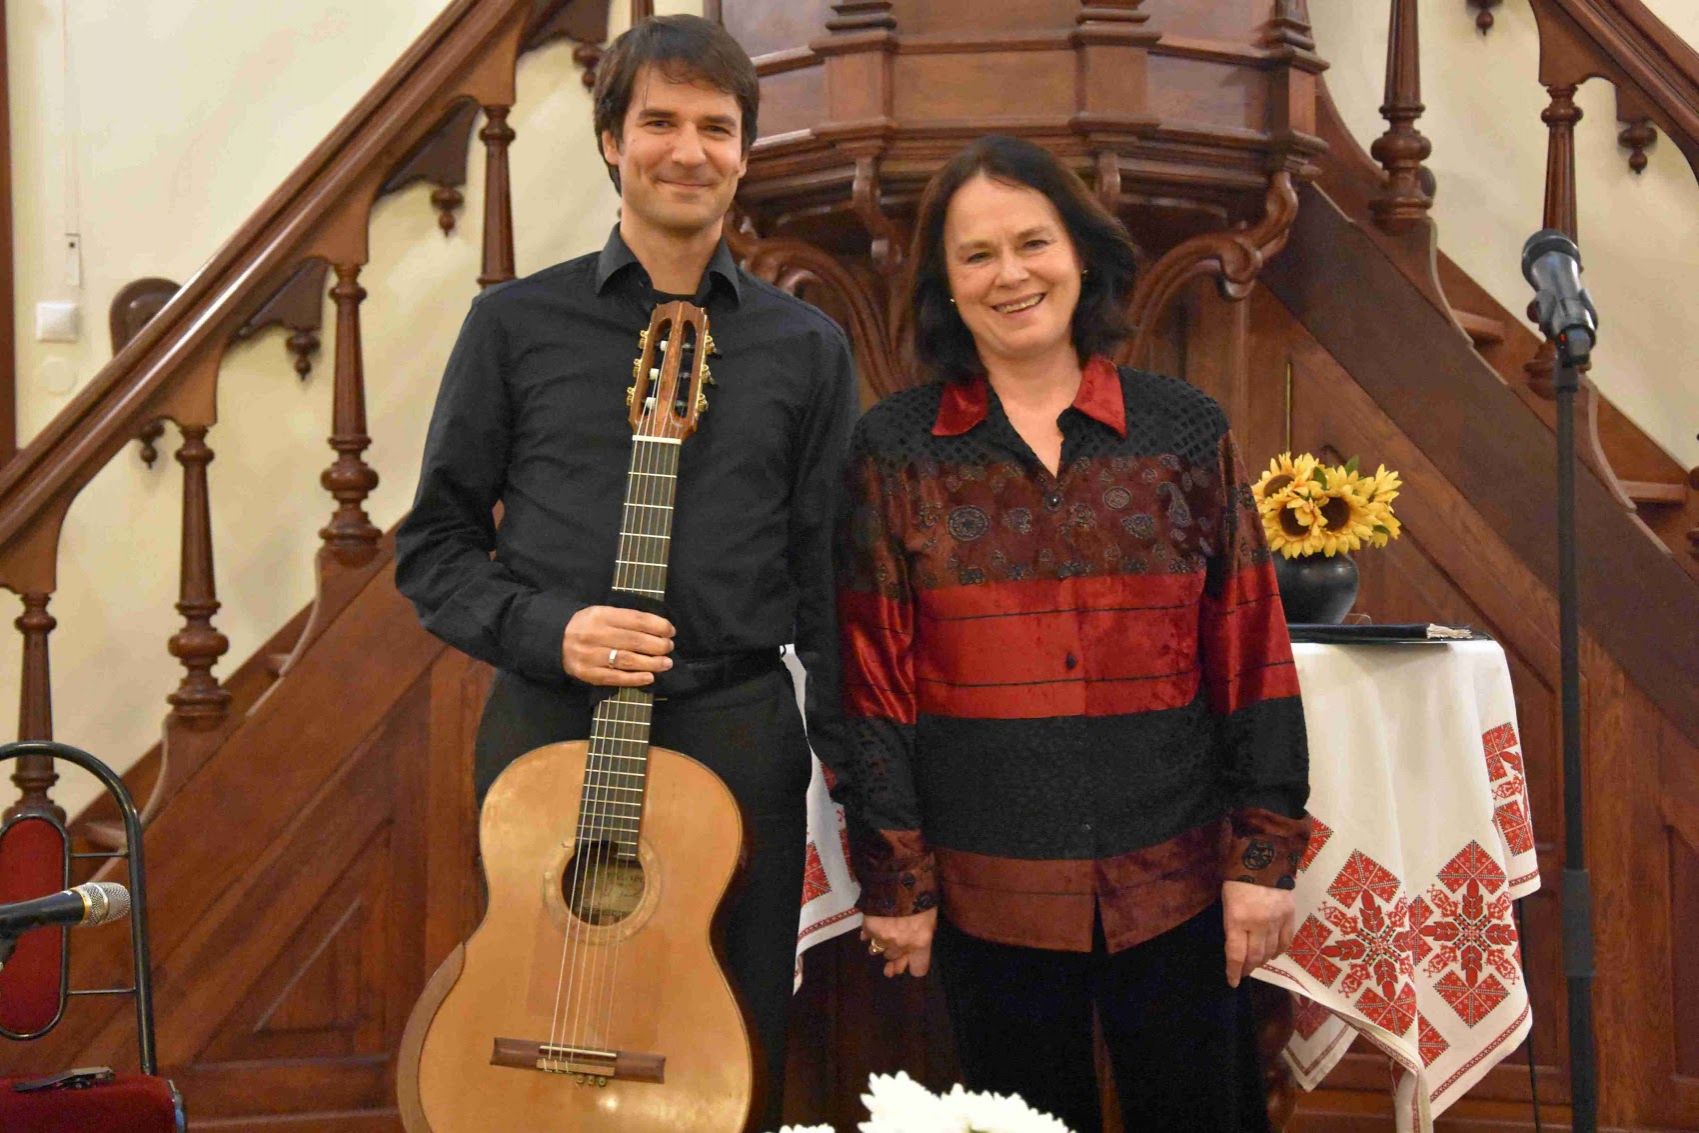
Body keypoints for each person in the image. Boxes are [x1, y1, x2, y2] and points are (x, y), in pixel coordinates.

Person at [394, 15, 857, 1127]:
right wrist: (548, 628)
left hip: (736, 725)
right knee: (537, 996)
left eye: (716, 127)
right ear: (611, 139)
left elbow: (835, 584)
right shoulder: (515, 325)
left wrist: (869, 795)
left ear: (744, 150)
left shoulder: (805, 346)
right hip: (550, 723)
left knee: (732, 1032)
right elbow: (433, 548)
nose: (687, 150)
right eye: (659, 122)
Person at [832, 135, 1311, 1132]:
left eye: (1032, 242)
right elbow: (874, 682)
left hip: (1176, 882)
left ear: (1081, 255)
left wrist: (1260, 860)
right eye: (976, 254)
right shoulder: (894, 449)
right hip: (987, 891)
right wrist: (897, 877)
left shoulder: (1184, 430)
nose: (1009, 274)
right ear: (945, 286)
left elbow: (1251, 653)